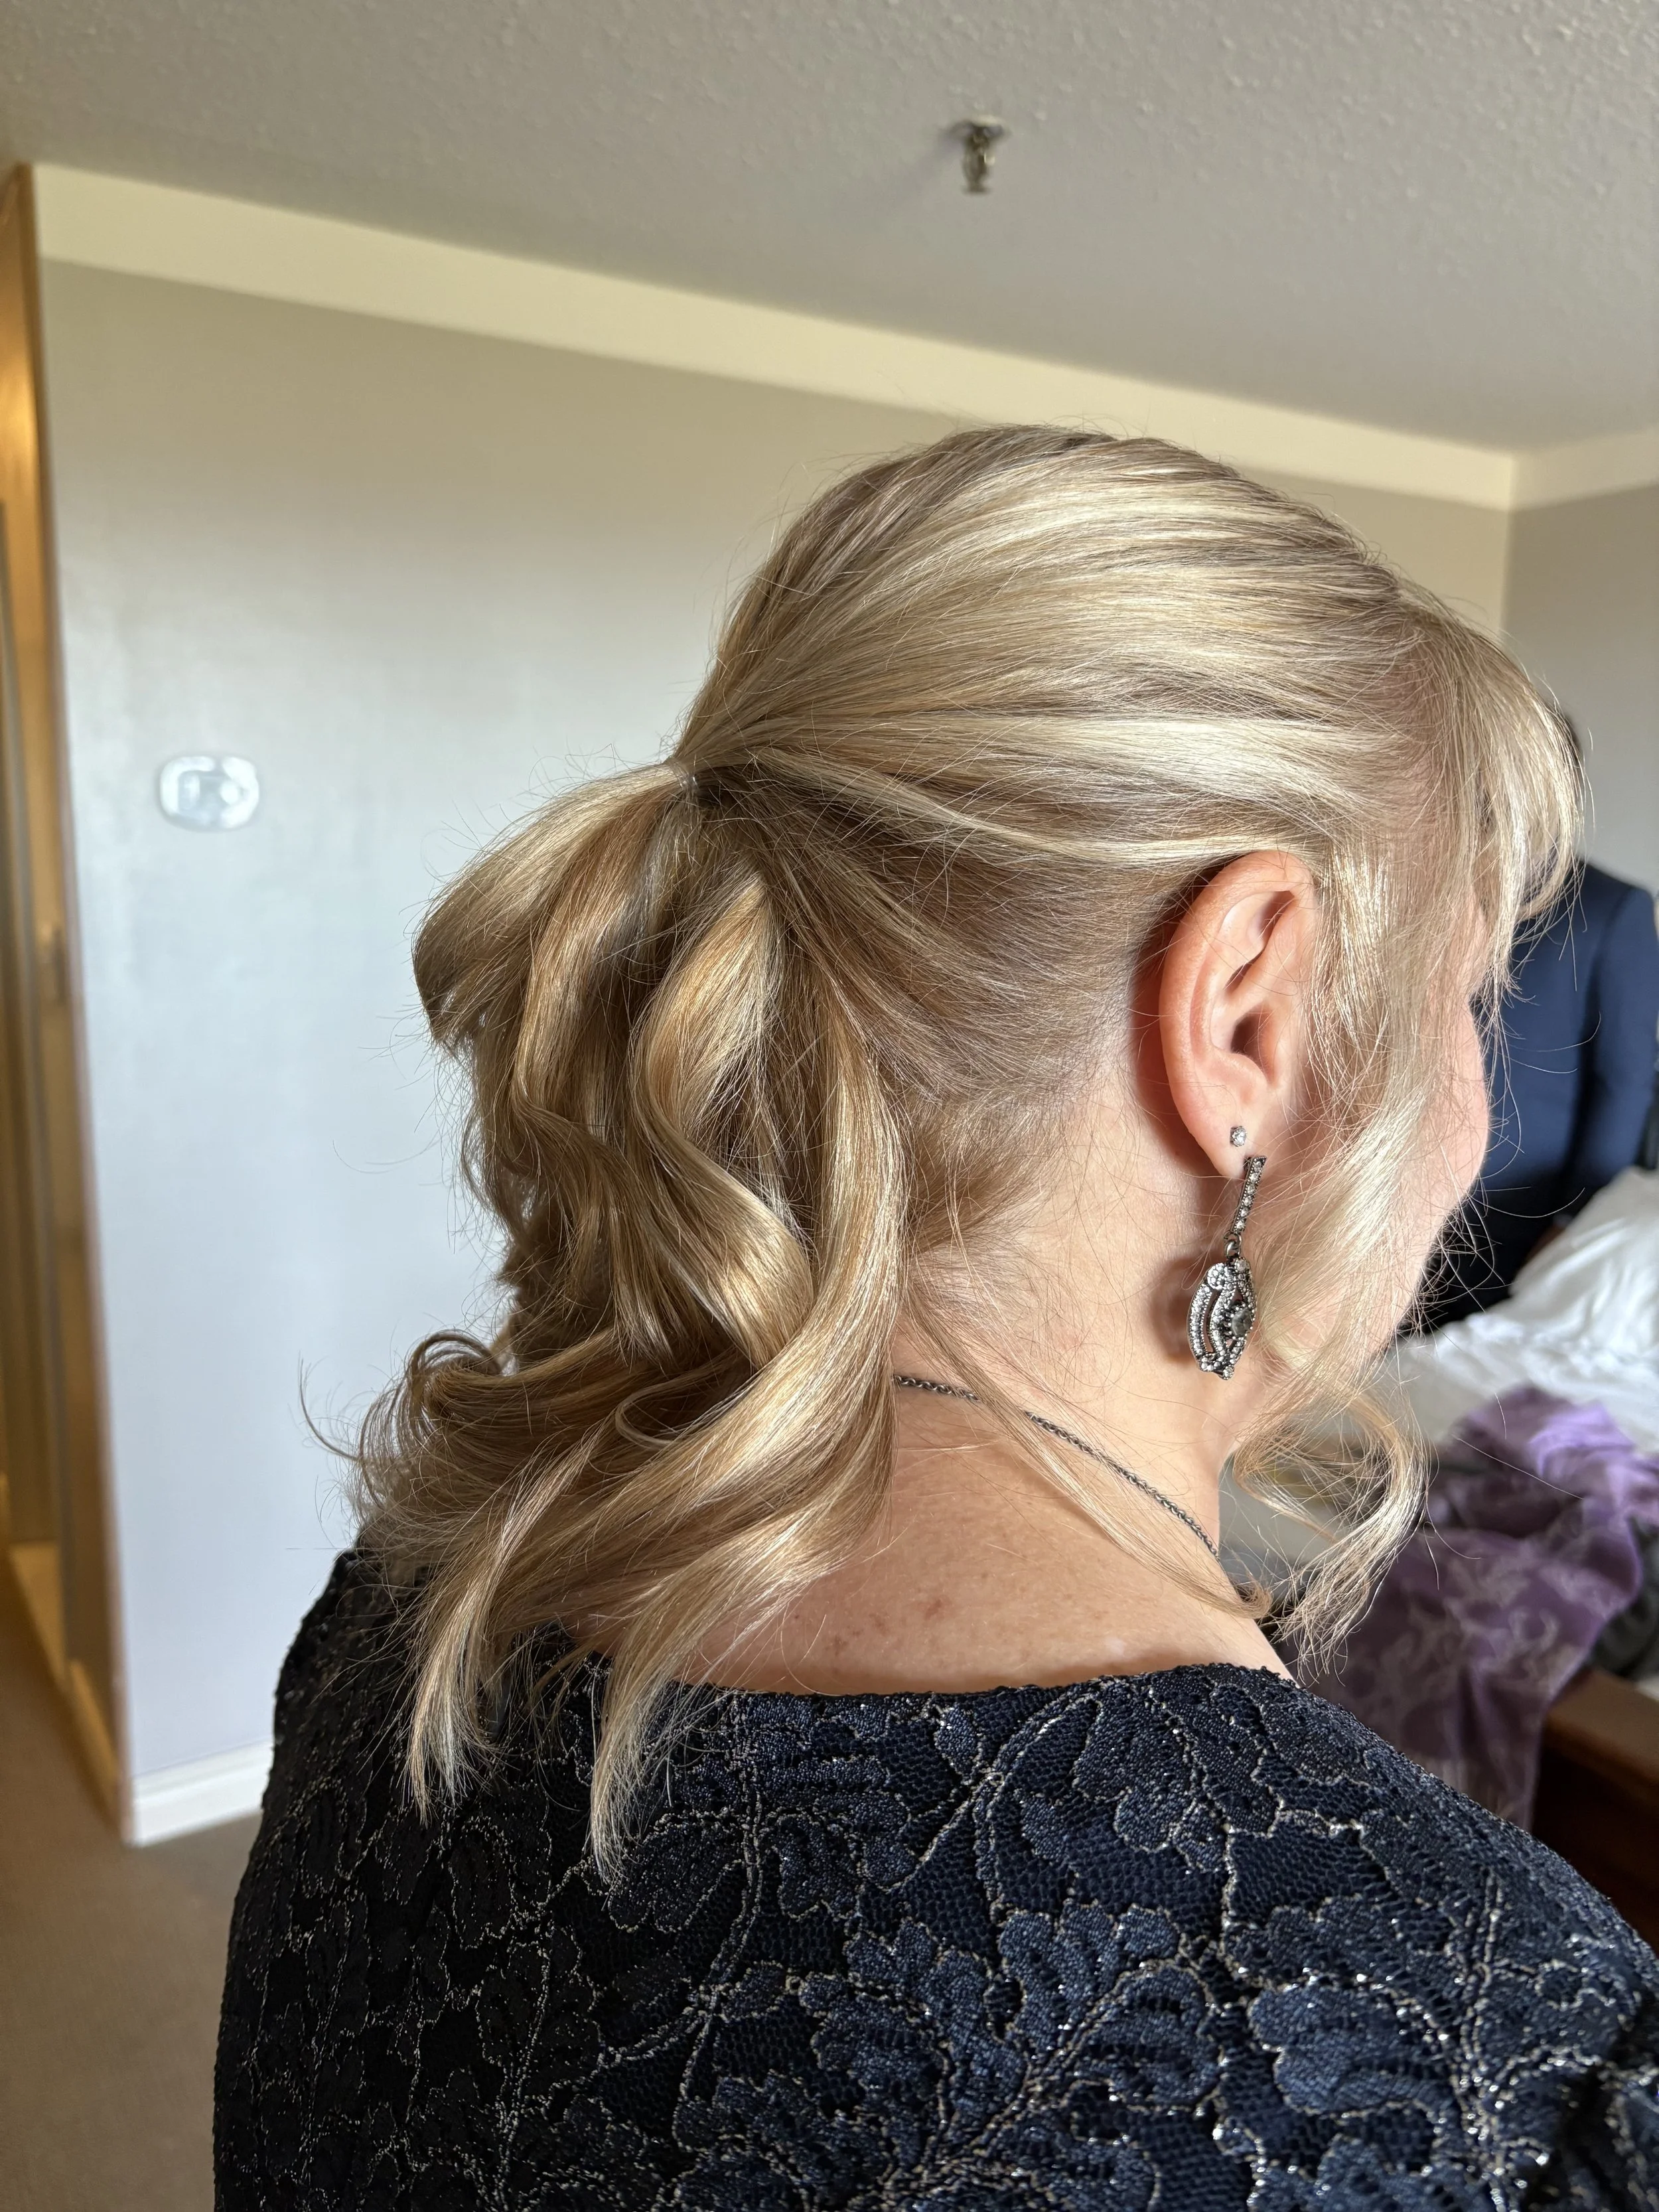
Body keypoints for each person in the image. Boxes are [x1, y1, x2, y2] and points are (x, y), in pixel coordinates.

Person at [215, 429, 1658, 2207]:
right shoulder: (1494, 2056)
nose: (1471, 1093)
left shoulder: (405, 1610)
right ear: (1244, 1016)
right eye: (1465, 996)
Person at [1423, 825, 1659, 1327]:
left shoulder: (1611, 907)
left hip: (1513, 1204)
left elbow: (1624, 1083)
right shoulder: (1430, 878)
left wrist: (1575, 1220)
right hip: (1396, 1179)